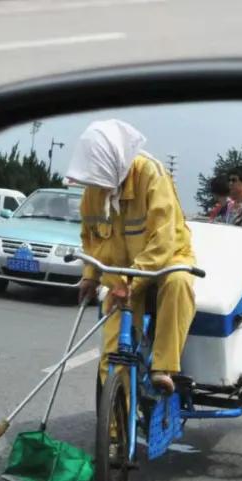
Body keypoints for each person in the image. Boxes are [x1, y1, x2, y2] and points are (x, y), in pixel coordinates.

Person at [65, 119, 197, 395]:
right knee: (113, 354)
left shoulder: (151, 175)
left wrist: (131, 281)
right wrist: (90, 276)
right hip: (121, 272)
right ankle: (116, 418)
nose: (99, 187)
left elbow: (163, 240)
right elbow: (91, 239)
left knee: (179, 283)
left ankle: (163, 367)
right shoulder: (93, 192)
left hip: (167, 260)